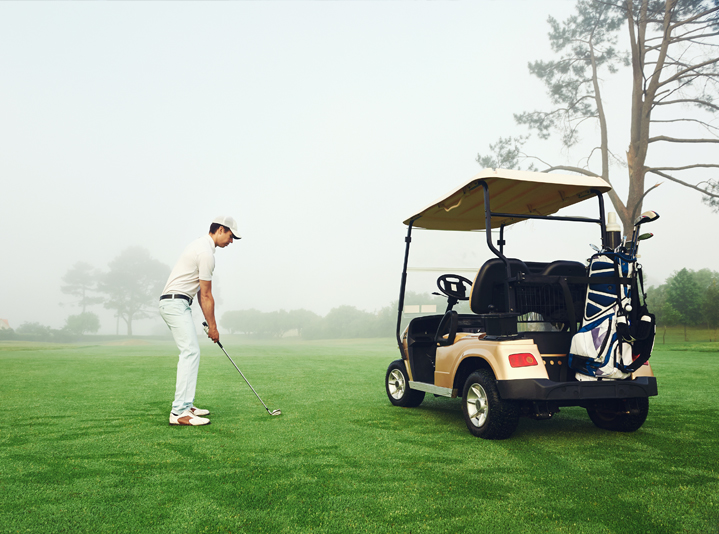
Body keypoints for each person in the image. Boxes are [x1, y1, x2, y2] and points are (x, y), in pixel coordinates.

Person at [159, 215, 241, 426]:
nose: (231, 242)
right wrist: (213, 327)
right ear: (221, 230)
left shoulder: (201, 246)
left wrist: (209, 322)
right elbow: (205, 295)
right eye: (231, 236)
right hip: (175, 303)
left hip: (177, 303)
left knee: (191, 352)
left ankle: (187, 405)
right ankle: (179, 412)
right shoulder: (206, 253)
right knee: (191, 352)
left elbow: (199, 293)